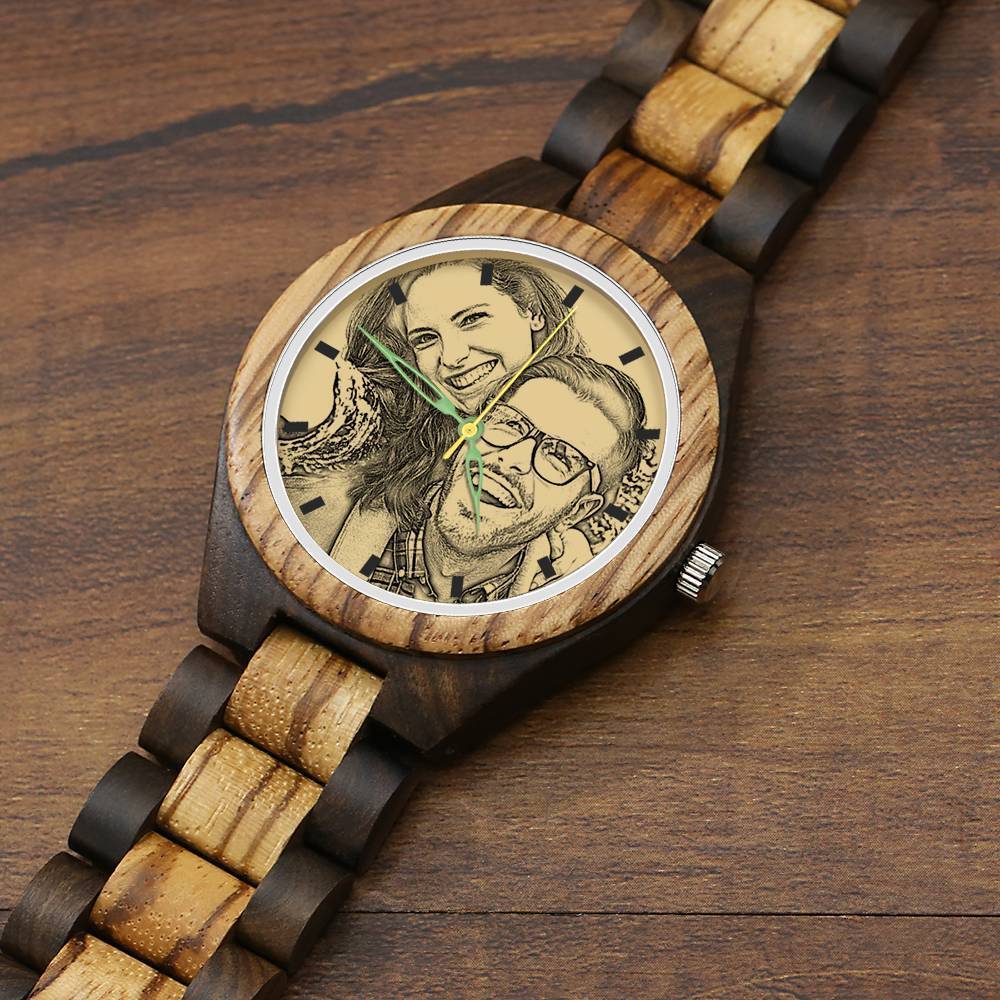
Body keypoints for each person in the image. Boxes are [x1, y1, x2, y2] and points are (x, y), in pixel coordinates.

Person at [280, 257, 582, 549]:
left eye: (472, 319)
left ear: (532, 312)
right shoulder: (407, 457)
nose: (452, 357)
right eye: (425, 339)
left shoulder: (590, 429)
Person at [357, 355, 646, 602]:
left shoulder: (555, 593)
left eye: (560, 457)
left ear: (576, 511)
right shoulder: (351, 510)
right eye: (509, 424)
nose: (511, 460)